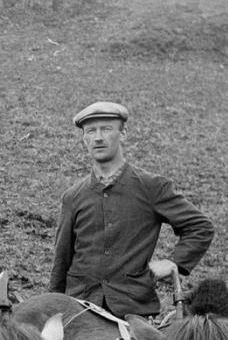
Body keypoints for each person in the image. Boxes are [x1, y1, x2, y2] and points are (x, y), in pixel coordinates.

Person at [48, 100, 213, 318]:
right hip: (80, 310)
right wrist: (53, 310)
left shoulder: (151, 187)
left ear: (123, 133)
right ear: (84, 139)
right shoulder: (73, 197)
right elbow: (62, 261)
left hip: (132, 311)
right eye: (91, 131)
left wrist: (174, 263)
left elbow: (200, 227)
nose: (98, 137)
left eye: (106, 129)